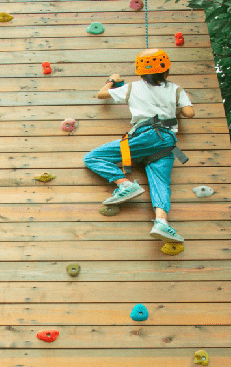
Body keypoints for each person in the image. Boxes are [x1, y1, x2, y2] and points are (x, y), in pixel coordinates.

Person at [83, 48, 195, 242]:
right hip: (167, 141)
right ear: (166, 71)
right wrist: (171, 108)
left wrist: (111, 80)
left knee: (92, 157)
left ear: (141, 72)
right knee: (161, 183)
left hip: (148, 135)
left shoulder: (132, 87)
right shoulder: (176, 89)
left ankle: (124, 184)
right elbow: (189, 113)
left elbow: (102, 94)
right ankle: (161, 223)